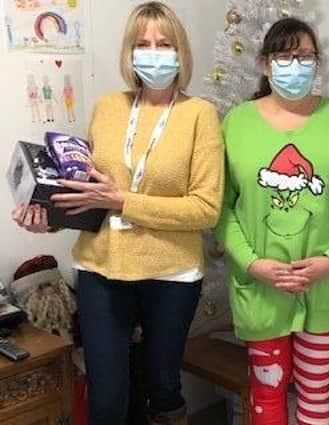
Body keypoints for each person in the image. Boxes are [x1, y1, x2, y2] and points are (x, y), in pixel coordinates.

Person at [12, 2, 224, 424]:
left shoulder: (200, 114)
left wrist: (122, 201)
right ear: (129, 53)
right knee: (107, 397)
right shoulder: (108, 107)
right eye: (142, 44)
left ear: (180, 52)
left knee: (162, 387)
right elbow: (91, 194)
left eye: (164, 44)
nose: (153, 52)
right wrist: (47, 215)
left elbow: (205, 208)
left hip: (172, 274)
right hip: (101, 267)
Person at [216, 17, 329, 425]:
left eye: (304, 56)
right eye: (284, 56)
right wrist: (253, 263)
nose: (295, 64)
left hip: (326, 285)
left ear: (317, 62)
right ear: (264, 64)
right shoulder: (236, 123)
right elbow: (221, 206)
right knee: (267, 390)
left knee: (316, 388)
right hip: (261, 286)